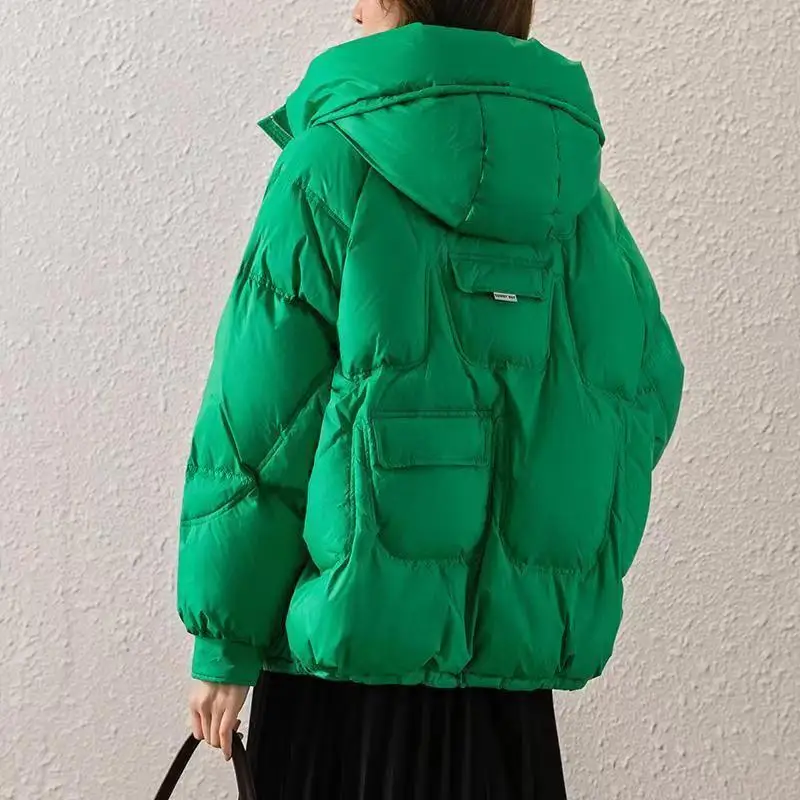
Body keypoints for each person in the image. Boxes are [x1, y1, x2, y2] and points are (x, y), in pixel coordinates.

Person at [176, 0, 684, 797]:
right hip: (506, 710)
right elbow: (647, 386)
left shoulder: (329, 163)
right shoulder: (574, 192)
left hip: (342, 690)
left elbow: (264, 423)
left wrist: (224, 640)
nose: (352, 9)